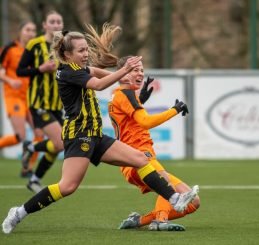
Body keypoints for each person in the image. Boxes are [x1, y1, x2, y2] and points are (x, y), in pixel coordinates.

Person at [2, 23, 199, 234]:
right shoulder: (67, 71)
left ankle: (174, 198)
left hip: (95, 135)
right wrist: (124, 71)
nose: (86, 54)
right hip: (79, 136)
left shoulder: (79, 68)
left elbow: (96, 72)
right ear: (67, 54)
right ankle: (19, 212)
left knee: (141, 159)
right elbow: (98, 84)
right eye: (81, 50)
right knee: (67, 187)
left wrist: (124, 77)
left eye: (87, 49)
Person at [108, 56, 200, 231]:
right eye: (135, 69)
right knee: (168, 187)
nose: (140, 73)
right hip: (138, 158)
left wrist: (141, 99)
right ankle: (160, 222)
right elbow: (145, 122)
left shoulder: (122, 95)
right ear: (123, 74)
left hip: (134, 159)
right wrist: (175, 110)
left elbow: (131, 122)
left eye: (142, 70)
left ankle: (139, 221)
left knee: (193, 202)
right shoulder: (124, 94)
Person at [16, 11, 64, 192]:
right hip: (39, 102)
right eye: (52, 22)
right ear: (44, 25)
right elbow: (20, 71)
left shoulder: (64, 46)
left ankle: (34, 179)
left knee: (61, 145)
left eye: (59, 22)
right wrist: (40, 69)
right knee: (59, 143)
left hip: (57, 105)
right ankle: (32, 146)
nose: (56, 25)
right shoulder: (35, 44)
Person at [0, 20, 43, 177]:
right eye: (27, 29)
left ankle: (27, 169)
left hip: (31, 98)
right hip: (14, 97)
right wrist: (11, 81)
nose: (31, 33)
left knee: (39, 133)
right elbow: (1, 71)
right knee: (21, 136)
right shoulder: (10, 49)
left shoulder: (36, 50)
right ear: (20, 32)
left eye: (33, 30)